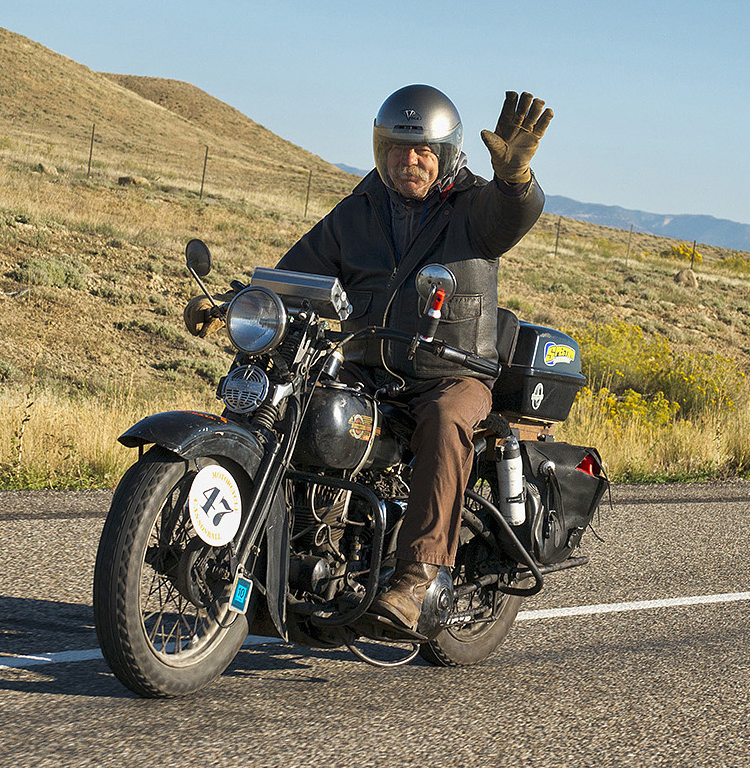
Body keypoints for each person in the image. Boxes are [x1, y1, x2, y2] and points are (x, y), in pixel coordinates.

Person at [185, 85, 552, 631]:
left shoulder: (474, 206)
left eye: (424, 150)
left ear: (446, 154)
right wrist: (240, 299)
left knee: (446, 419)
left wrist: (515, 180)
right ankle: (284, 555)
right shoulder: (360, 210)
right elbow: (300, 270)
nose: (410, 161)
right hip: (368, 366)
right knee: (298, 403)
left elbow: (511, 216)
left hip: (451, 370)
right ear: (381, 149)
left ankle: (421, 574)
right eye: (399, 149)